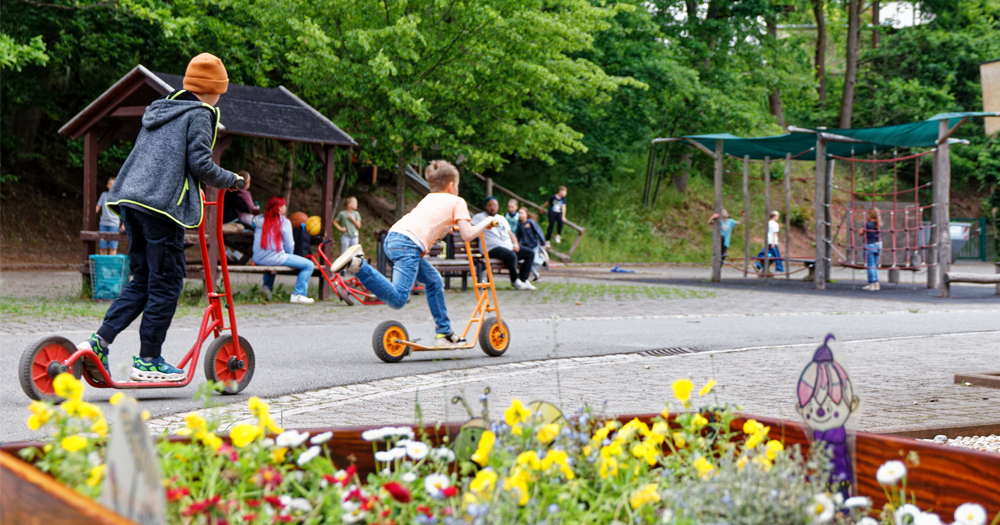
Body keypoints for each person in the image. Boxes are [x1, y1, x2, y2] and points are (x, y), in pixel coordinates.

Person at [77, 53, 243, 383]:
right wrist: (233, 179)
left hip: (129, 201)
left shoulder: (162, 109)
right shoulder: (200, 113)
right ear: (214, 90)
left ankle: (99, 341)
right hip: (160, 207)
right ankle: (149, 360)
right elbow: (200, 165)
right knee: (167, 282)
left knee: (144, 280)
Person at [330, 160, 494, 346]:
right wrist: (486, 222)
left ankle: (445, 332)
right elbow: (468, 234)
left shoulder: (428, 198)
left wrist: (449, 227)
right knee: (399, 299)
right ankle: (359, 265)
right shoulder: (457, 201)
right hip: (409, 245)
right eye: (457, 185)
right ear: (451, 186)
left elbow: (428, 220)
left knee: (434, 281)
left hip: (394, 238)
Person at [252, 196, 316, 304]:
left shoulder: (259, 220)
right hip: (275, 257)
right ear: (279, 208)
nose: (285, 207)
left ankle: (266, 289)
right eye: (284, 205)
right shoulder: (284, 222)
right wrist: (288, 255)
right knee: (308, 265)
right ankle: (299, 294)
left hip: (257, 258)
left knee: (272, 262)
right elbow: (290, 245)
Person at [473, 197, 535, 290]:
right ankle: (515, 280)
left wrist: (515, 243)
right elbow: (468, 227)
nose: (493, 208)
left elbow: (510, 233)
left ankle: (523, 280)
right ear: (485, 207)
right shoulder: (479, 217)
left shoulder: (501, 218)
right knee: (511, 255)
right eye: (490, 205)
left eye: (495, 205)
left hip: (507, 247)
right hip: (491, 248)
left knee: (530, 253)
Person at [516, 207, 547, 282]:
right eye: (519, 213)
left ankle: (542, 259)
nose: (521, 215)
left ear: (526, 214)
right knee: (528, 262)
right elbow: (518, 236)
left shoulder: (530, 222)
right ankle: (537, 276)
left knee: (535, 261)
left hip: (533, 245)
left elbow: (539, 231)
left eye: (522, 213)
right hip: (525, 246)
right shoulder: (519, 225)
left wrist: (543, 242)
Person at [96, 176, 122, 255]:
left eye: (113, 184)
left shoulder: (118, 196)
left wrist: (123, 224)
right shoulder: (104, 195)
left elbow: (123, 210)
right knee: (102, 247)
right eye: (110, 184)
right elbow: (97, 207)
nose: (111, 186)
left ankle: (112, 266)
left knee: (113, 247)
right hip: (103, 224)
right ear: (107, 185)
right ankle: (103, 266)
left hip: (114, 224)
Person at [858, 209, 881, 291]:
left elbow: (860, 233)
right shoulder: (880, 224)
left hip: (869, 246)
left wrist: (862, 228)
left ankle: (872, 283)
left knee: (870, 266)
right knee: (874, 266)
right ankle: (876, 283)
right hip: (878, 245)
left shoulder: (868, 225)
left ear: (870, 216)